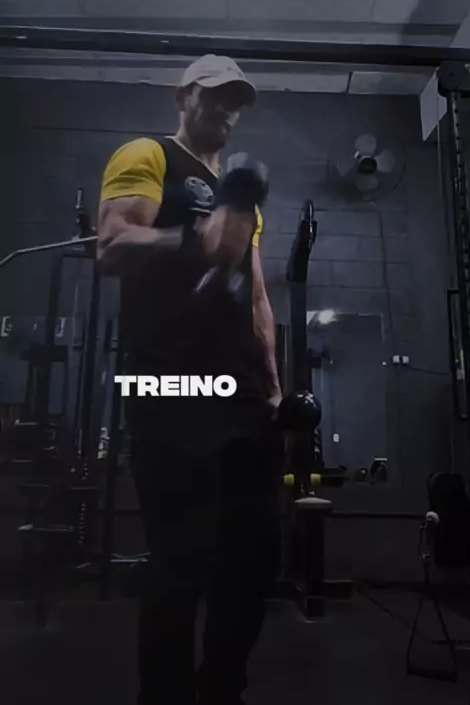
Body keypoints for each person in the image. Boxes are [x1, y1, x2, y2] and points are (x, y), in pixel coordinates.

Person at [97, 54, 283, 705]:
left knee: (255, 559)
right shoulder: (148, 155)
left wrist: (273, 383)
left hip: (239, 389)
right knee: (182, 559)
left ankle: (222, 689)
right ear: (183, 96)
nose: (227, 110)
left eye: (237, 101)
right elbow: (112, 245)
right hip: (166, 379)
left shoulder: (239, 194)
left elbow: (255, 295)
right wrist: (193, 239)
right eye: (215, 95)